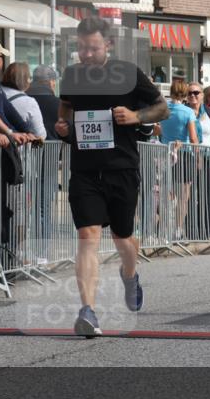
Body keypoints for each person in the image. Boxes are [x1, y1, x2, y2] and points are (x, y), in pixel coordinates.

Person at [54, 17, 168, 337]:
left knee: (123, 239)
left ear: (108, 45)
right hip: (85, 170)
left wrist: (135, 116)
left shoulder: (127, 74)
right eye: (81, 48)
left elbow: (162, 109)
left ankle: (130, 275)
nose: (86, 55)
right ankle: (88, 311)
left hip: (122, 168)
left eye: (93, 48)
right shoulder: (73, 75)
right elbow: (65, 111)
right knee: (87, 236)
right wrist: (62, 127)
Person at [160, 78, 199, 239]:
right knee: (183, 196)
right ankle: (177, 230)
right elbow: (193, 138)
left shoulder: (163, 109)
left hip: (164, 153)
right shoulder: (188, 112)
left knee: (165, 194)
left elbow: (158, 130)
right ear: (185, 93)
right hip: (183, 155)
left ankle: (162, 230)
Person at [0, 62, 47, 139]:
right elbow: (40, 134)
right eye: (29, 78)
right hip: (17, 148)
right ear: (25, 80)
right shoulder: (29, 102)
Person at [27, 64, 60, 139]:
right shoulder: (59, 104)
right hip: (54, 148)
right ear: (50, 82)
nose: (54, 84)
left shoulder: (25, 99)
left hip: (28, 148)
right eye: (54, 81)